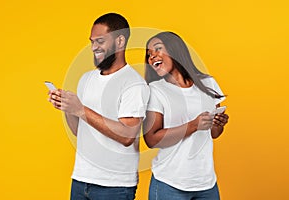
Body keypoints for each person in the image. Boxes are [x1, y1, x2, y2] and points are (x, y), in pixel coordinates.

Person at [48, 13, 150, 200]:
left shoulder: (133, 83)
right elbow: (81, 131)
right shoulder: (86, 79)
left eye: (100, 41)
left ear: (120, 41)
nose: (94, 47)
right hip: (80, 180)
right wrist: (68, 108)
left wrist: (80, 109)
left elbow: (128, 135)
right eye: (92, 41)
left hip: (114, 187)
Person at [143, 31, 229, 200]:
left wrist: (218, 124)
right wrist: (193, 125)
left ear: (175, 50)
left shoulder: (207, 83)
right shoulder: (155, 90)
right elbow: (152, 139)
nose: (152, 57)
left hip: (206, 183)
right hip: (169, 183)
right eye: (149, 55)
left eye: (157, 49)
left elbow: (214, 134)